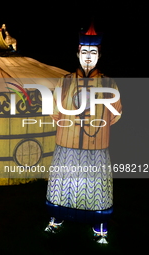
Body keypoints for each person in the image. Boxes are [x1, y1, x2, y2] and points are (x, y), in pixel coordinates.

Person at [44, 23, 122, 244]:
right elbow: (55, 112)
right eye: (84, 52)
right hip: (66, 145)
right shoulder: (65, 81)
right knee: (63, 185)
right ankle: (56, 221)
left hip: (96, 148)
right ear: (78, 53)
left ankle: (99, 228)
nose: (88, 57)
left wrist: (96, 127)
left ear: (99, 55)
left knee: (95, 187)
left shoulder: (108, 83)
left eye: (93, 52)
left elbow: (115, 114)